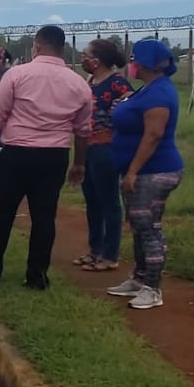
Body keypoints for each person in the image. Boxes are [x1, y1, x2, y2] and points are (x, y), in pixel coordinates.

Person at [0, 26, 92, 290]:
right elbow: (83, 131)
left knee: (2, 213)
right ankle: (37, 276)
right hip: (54, 157)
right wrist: (79, 163)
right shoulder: (79, 83)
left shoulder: (17, 75)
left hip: (16, 155)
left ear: (36, 46)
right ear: (62, 48)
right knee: (44, 217)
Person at [106, 39, 184, 310]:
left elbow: (153, 135)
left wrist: (133, 171)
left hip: (153, 171)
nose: (131, 64)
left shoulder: (160, 94)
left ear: (146, 63)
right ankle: (139, 279)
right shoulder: (148, 90)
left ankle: (153, 288)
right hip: (141, 171)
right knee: (139, 228)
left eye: (134, 59)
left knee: (149, 229)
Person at [75, 40, 134, 272]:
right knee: (92, 201)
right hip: (87, 147)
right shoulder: (90, 82)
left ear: (97, 60)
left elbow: (131, 113)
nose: (83, 58)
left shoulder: (119, 84)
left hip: (107, 148)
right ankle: (94, 250)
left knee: (109, 202)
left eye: (86, 55)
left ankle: (110, 255)